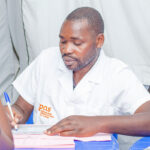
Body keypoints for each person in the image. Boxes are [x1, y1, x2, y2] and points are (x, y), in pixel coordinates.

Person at [6, 7, 150, 137]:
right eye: (62, 41)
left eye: (77, 43)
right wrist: (12, 115)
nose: (67, 50)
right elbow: (20, 108)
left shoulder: (116, 73)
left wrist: (97, 123)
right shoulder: (46, 60)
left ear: (99, 41)